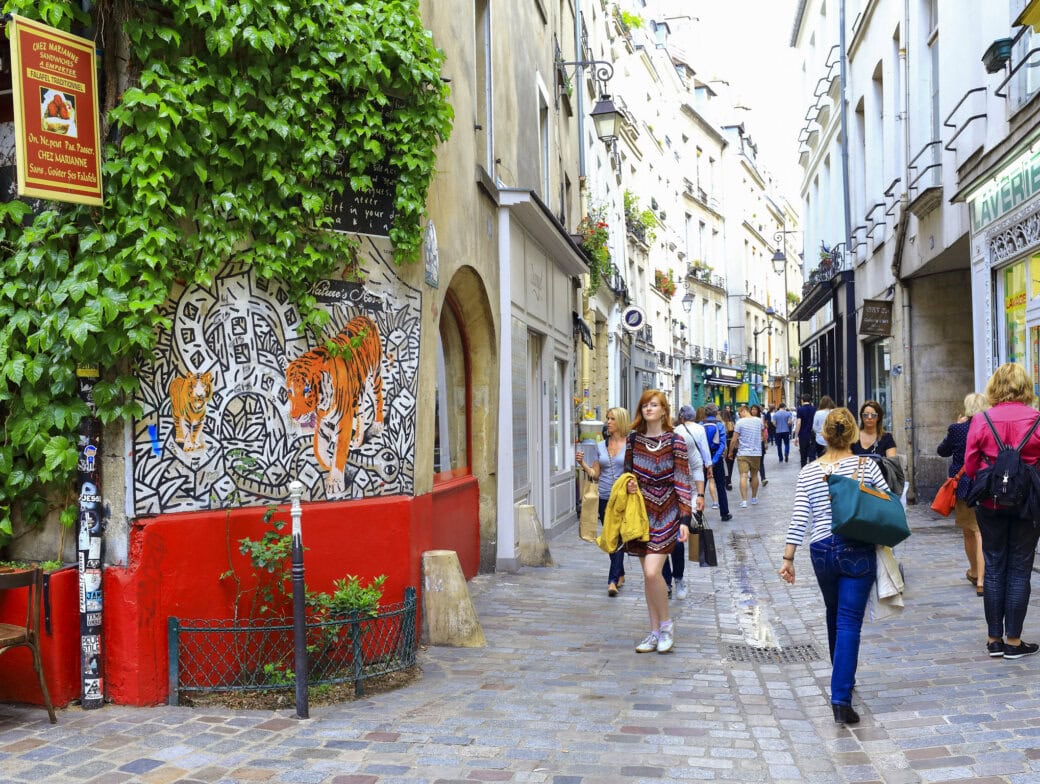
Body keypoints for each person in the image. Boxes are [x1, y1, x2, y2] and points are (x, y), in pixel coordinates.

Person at [779, 407, 889, 724]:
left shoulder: (809, 472)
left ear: (823, 435)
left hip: (822, 550)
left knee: (834, 612)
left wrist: (788, 558)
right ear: (853, 433)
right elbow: (883, 503)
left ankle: (842, 675)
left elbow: (800, 517)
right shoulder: (867, 466)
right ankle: (841, 698)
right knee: (849, 622)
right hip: (856, 547)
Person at [964, 362, 1040, 660]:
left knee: (994, 566)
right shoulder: (1036, 419)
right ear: (1025, 387)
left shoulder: (983, 419)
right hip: (1028, 503)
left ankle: (994, 638)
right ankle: (1014, 640)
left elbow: (971, 466)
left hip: (991, 502)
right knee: (1020, 568)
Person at [623, 390, 702, 654]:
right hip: (641, 513)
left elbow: (682, 480)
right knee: (648, 578)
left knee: (652, 572)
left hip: (667, 511)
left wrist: (684, 519)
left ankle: (667, 625)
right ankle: (654, 631)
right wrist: (630, 486)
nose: (648, 409)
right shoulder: (633, 440)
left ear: (664, 410)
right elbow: (627, 475)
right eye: (644, 405)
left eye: (653, 405)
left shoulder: (675, 441)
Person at [938, 393, 988, 597]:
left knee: (969, 531)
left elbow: (942, 451)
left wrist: (954, 427)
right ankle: (983, 580)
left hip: (964, 484)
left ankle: (976, 573)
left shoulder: (957, 429)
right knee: (981, 532)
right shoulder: (988, 427)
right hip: (985, 482)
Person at [577, 407, 631, 597]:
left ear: (621, 421)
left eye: (612, 419)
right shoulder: (601, 446)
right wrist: (582, 464)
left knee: (617, 538)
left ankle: (612, 580)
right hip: (604, 498)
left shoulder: (630, 445)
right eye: (607, 418)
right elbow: (596, 475)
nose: (608, 422)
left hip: (623, 499)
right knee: (610, 538)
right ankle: (620, 572)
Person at [664, 405, 708, 600]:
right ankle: (665, 581)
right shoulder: (646, 443)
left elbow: (697, 465)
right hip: (655, 502)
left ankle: (678, 577)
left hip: (681, 497)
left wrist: (699, 495)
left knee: (677, 542)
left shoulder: (683, 438)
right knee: (657, 545)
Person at [701, 404, 732, 521]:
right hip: (716, 458)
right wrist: (714, 460)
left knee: (701, 487)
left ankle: (698, 514)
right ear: (716, 413)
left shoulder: (700, 425)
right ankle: (724, 513)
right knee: (720, 486)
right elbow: (722, 444)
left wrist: (705, 460)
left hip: (703, 458)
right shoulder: (719, 425)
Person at [728, 405, 762, 508]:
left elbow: (734, 439)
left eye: (739, 413)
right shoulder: (758, 421)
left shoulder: (740, 422)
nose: (739, 415)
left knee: (743, 475)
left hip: (743, 453)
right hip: (756, 452)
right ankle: (754, 498)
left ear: (743, 411)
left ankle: (744, 501)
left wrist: (730, 451)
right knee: (755, 475)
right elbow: (762, 434)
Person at [811, 395, 837, 462]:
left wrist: (819, 432)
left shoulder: (818, 413)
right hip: (833, 439)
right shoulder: (835, 412)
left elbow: (814, 427)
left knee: (821, 459)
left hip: (820, 439)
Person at [795, 394, 817, 466]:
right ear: (810, 401)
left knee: (803, 456)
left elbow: (798, 423)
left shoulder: (800, 410)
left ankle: (803, 472)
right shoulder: (814, 409)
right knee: (812, 455)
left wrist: (796, 436)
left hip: (803, 435)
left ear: (802, 400)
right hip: (812, 435)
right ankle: (812, 472)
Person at [750, 404, 769, 486]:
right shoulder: (748, 419)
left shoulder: (761, 418)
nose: (753, 411)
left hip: (759, 442)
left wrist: (765, 442)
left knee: (761, 462)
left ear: (758, 411)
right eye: (752, 409)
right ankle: (752, 477)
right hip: (751, 443)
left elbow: (763, 431)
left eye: (755, 409)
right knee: (752, 462)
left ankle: (763, 478)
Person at [723, 408, 736, 490]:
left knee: (726, 464)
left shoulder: (722, 424)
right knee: (731, 464)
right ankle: (729, 481)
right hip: (732, 444)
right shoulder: (732, 424)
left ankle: (726, 480)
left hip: (725, 445)